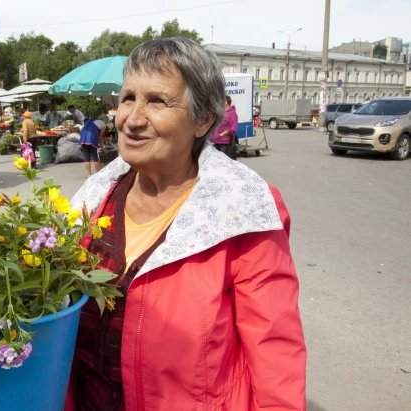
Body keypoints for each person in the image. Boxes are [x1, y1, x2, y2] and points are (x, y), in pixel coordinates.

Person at [66, 37, 306, 411]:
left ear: (203, 120)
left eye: (157, 101)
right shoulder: (94, 198)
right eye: (128, 98)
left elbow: (276, 352)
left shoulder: (242, 210)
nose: (132, 117)